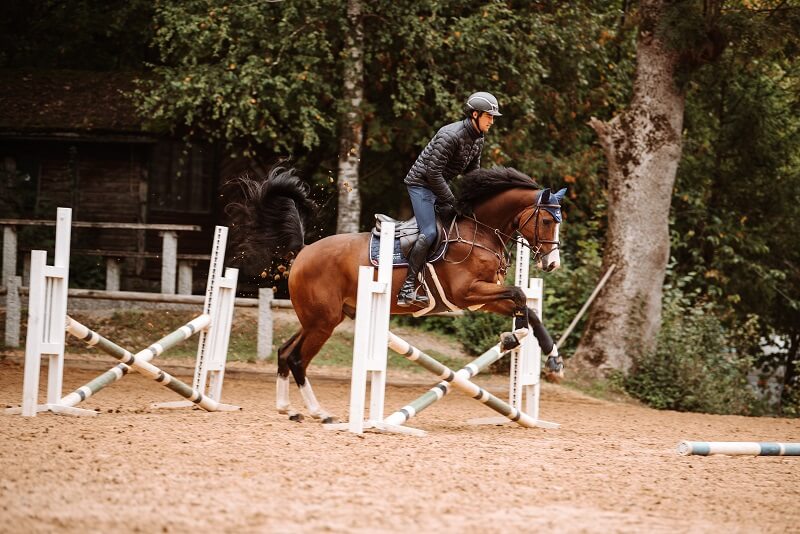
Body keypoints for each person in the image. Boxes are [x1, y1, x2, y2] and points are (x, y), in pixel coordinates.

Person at [397, 91, 501, 307]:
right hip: (421, 184)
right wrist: (452, 201)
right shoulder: (450, 135)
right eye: (489, 116)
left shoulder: (478, 139)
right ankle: (407, 288)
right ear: (475, 114)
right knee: (430, 232)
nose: (492, 121)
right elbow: (432, 173)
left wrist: (478, 199)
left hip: (438, 184)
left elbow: (473, 174)